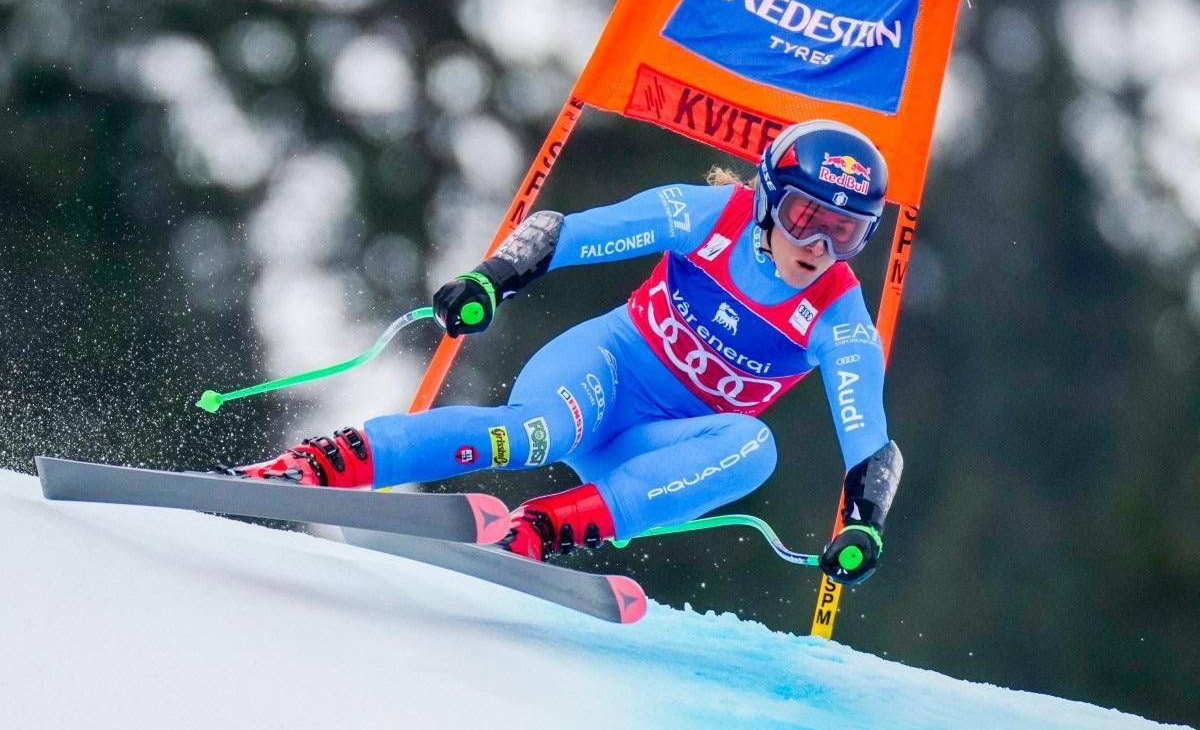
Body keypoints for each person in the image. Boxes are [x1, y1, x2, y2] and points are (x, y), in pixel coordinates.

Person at [231, 120, 904, 585]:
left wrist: (864, 526)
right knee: (537, 434)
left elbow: (870, 445)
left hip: (646, 451)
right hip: (602, 375)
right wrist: (491, 280)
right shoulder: (711, 216)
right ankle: (322, 463)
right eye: (805, 219)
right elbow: (567, 233)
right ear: (767, 200)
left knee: (754, 449)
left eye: (845, 233)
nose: (819, 249)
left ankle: (543, 530)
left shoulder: (840, 317)